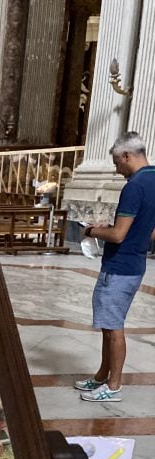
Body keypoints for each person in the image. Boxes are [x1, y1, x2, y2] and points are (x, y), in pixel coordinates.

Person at [76, 131, 155, 402]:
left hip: (119, 267)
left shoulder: (134, 186)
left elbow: (119, 235)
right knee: (110, 325)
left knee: (113, 328)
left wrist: (92, 231)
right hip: (135, 263)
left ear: (127, 156)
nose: (116, 168)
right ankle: (101, 376)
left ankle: (113, 385)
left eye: (116, 162)